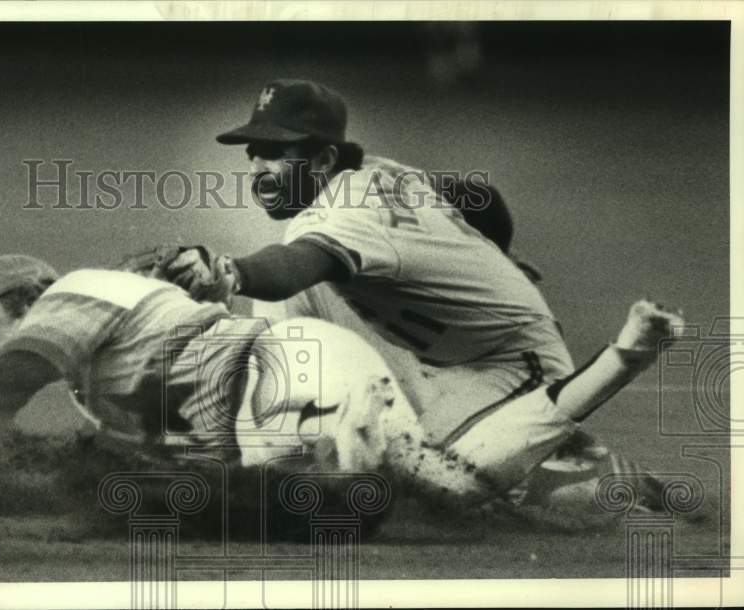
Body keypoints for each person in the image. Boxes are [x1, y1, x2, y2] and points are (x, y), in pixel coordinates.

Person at [164, 78, 685, 511]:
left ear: (322, 160)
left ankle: (608, 431)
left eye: (277, 154)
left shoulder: (346, 213)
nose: (258, 169)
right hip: (431, 350)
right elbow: (474, 197)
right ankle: (273, 457)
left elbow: (290, 266)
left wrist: (229, 271)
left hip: (509, 363)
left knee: (443, 492)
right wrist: (494, 254)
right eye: (254, 153)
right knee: (289, 311)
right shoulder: (377, 172)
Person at [0, 254, 681, 525]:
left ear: (13, 304)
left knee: (443, 492)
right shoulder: (99, 353)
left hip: (283, 392)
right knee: (448, 485)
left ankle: (619, 369)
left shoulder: (70, 300)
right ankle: (614, 473)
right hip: (299, 377)